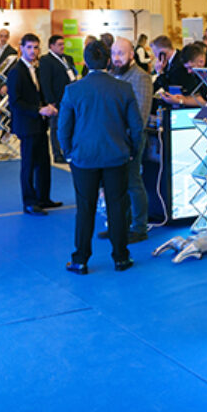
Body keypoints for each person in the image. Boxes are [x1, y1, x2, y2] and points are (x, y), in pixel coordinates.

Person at [58, 40, 144, 274]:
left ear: (85, 62)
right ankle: (121, 257)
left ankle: (80, 259)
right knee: (117, 207)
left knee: (85, 209)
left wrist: (68, 152)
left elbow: (63, 127)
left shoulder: (73, 90)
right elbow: (137, 127)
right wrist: (133, 151)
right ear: (108, 61)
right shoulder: (123, 89)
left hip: (83, 158)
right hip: (116, 156)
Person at [7, 33, 60, 215]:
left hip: (39, 124)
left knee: (44, 163)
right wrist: (38, 110)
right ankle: (29, 202)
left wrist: (48, 106)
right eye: (29, 47)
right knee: (28, 165)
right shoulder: (16, 71)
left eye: (36, 47)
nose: (33, 51)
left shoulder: (36, 69)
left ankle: (43, 198)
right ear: (21, 48)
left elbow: (38, 94)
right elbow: (15, 102)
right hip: (27, 125)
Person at [111, 37, 154, 243]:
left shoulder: (141, 78)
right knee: (119, 185)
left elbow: (142, 115)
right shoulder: (113, 75)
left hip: (131, 140)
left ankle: (139, 227)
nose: (116, 58)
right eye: (114, 53)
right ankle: (122, 224)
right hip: (114, 140)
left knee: (133, 182)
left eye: (121, 53)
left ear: (131, 54)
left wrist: (130, 142)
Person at [38, 34, 78, 164]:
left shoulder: (68, 58)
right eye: (59, 44)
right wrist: (50, 101)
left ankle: (69, 150)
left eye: (63, 44)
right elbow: (45, 82)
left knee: (70, 125)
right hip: (56, 99)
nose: (62, 47)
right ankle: (57, 153)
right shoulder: (46, 60)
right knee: (55, 127)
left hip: (71, 98)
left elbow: (73, 74)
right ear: (51, 46)